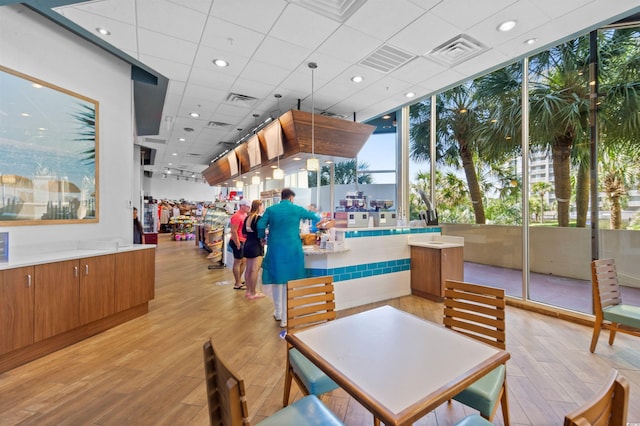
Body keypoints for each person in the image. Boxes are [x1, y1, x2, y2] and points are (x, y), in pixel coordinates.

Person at [257, 188, 320, 327]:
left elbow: (260, 225)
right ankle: (286, 318)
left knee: (276, 279)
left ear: (282, 197)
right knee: (289, 282)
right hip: (292, 249)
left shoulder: (271, 209)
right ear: (291, 198)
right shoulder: (297, 209)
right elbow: (315, 217)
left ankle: (278, 312)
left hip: (275, 248)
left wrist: (262, 238)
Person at [242, 200, 265, 300]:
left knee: (248, 270)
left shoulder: (248, 217)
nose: (263, 208)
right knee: (255, 270)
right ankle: (253, 292)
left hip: (248, 244)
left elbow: (244, 232)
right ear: (259, 206)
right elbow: (261, 233)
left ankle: (248, 291)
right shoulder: (258, 218)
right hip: (256, 246)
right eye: (262, 206)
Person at [230, 199, 251, 290]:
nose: (249, 208)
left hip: (244, 241)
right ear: (242, 206)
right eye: (247, 206)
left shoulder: (245, 215)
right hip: (238, 241)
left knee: (244, 261)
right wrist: (238, 244)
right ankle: (237, 283)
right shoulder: (236, 216)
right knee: (237, 262)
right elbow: (234, 231)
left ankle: (238, 279)